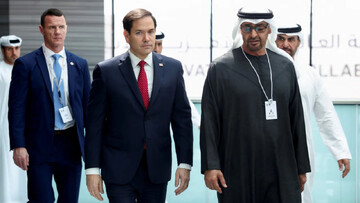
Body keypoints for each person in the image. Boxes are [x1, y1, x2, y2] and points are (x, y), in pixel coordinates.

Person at [200, 7, 311, 202]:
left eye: (260, 28)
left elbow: (297, 120)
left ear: (269, 30)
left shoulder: (285, 66)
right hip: (237, 165)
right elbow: (210, 121)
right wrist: (211, 165)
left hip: (282, 166)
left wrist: (301, 167)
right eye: (247, 28)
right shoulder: (221, 68)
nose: (253, 34)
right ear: (239, 29)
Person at [85, 8, 193, 202]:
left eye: (151, 32)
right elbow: (94, 125)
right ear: (126, 36)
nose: (147, 38)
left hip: (157, 167)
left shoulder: (173, 69)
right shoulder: (106, 71)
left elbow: (182, 120)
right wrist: (92, 169)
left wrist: (185, 163)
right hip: (118, 168)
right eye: (139, 33)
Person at [8, 8, 91, 203]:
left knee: (69, 200)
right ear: (41, 29)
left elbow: (88, 109)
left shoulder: (79, 64)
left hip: (70, 145)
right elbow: (17, 108)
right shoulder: (26, 64)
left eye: (61, 27)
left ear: (66, 29)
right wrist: (19, 145)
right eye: (52, 27)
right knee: (41, 199)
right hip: (38, 145)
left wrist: (94, 145)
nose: (57, 32)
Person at [276, 23, 352, 203]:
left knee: (300, 196)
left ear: (299, 42)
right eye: (281, 39)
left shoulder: (310, 75)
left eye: (291, 39)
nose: (286, 44)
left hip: (301, 150)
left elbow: (326, 115)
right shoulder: (261, 72)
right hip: (267, 147)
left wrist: (340, 151)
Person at [154, 30, 201, 129]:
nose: (156, 49)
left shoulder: (169, 68)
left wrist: (199, 122)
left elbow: (182, 99)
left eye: (159, 44)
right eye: (153, 45)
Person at [0, 35, 28, 203]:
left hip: (22, 128)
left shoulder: (25, 69)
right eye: (9, 49)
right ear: (3, 50)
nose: (14, 52)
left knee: (22, 170)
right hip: (2, 128)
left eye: (16, 48)